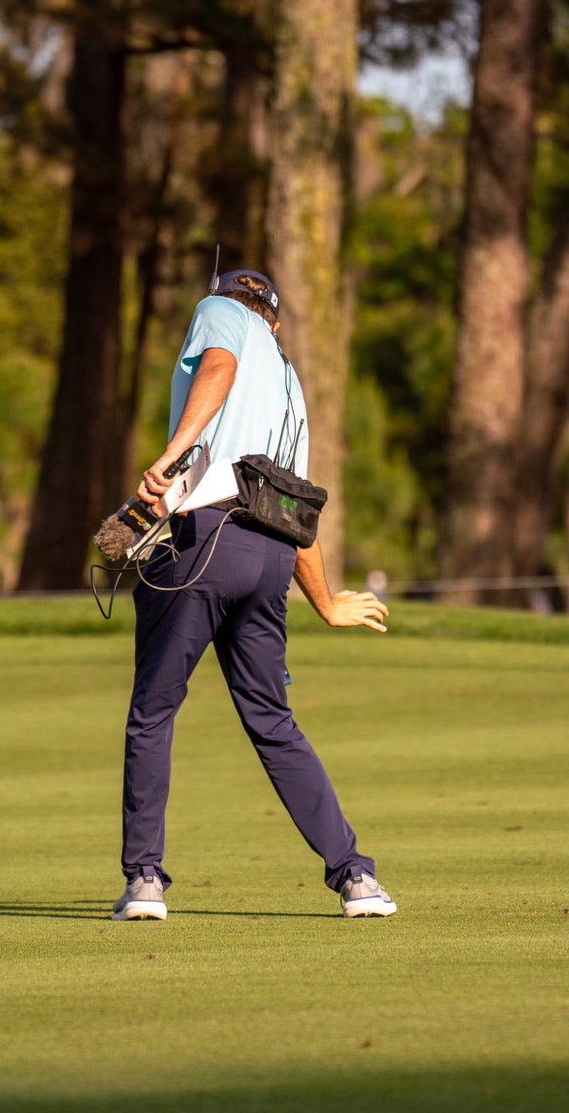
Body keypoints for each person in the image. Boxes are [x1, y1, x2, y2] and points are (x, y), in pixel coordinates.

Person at [112, 268, 396, 922]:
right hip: (269, 557)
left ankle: (145, 881)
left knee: (152, 714)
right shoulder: (291, 382)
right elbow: (292, 501)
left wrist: (172, 455)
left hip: (205, 540)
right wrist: (325, 603)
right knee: (273, 721)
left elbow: (216, 368)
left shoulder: (219, 312)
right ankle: (357, 879)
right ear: (275, 317)